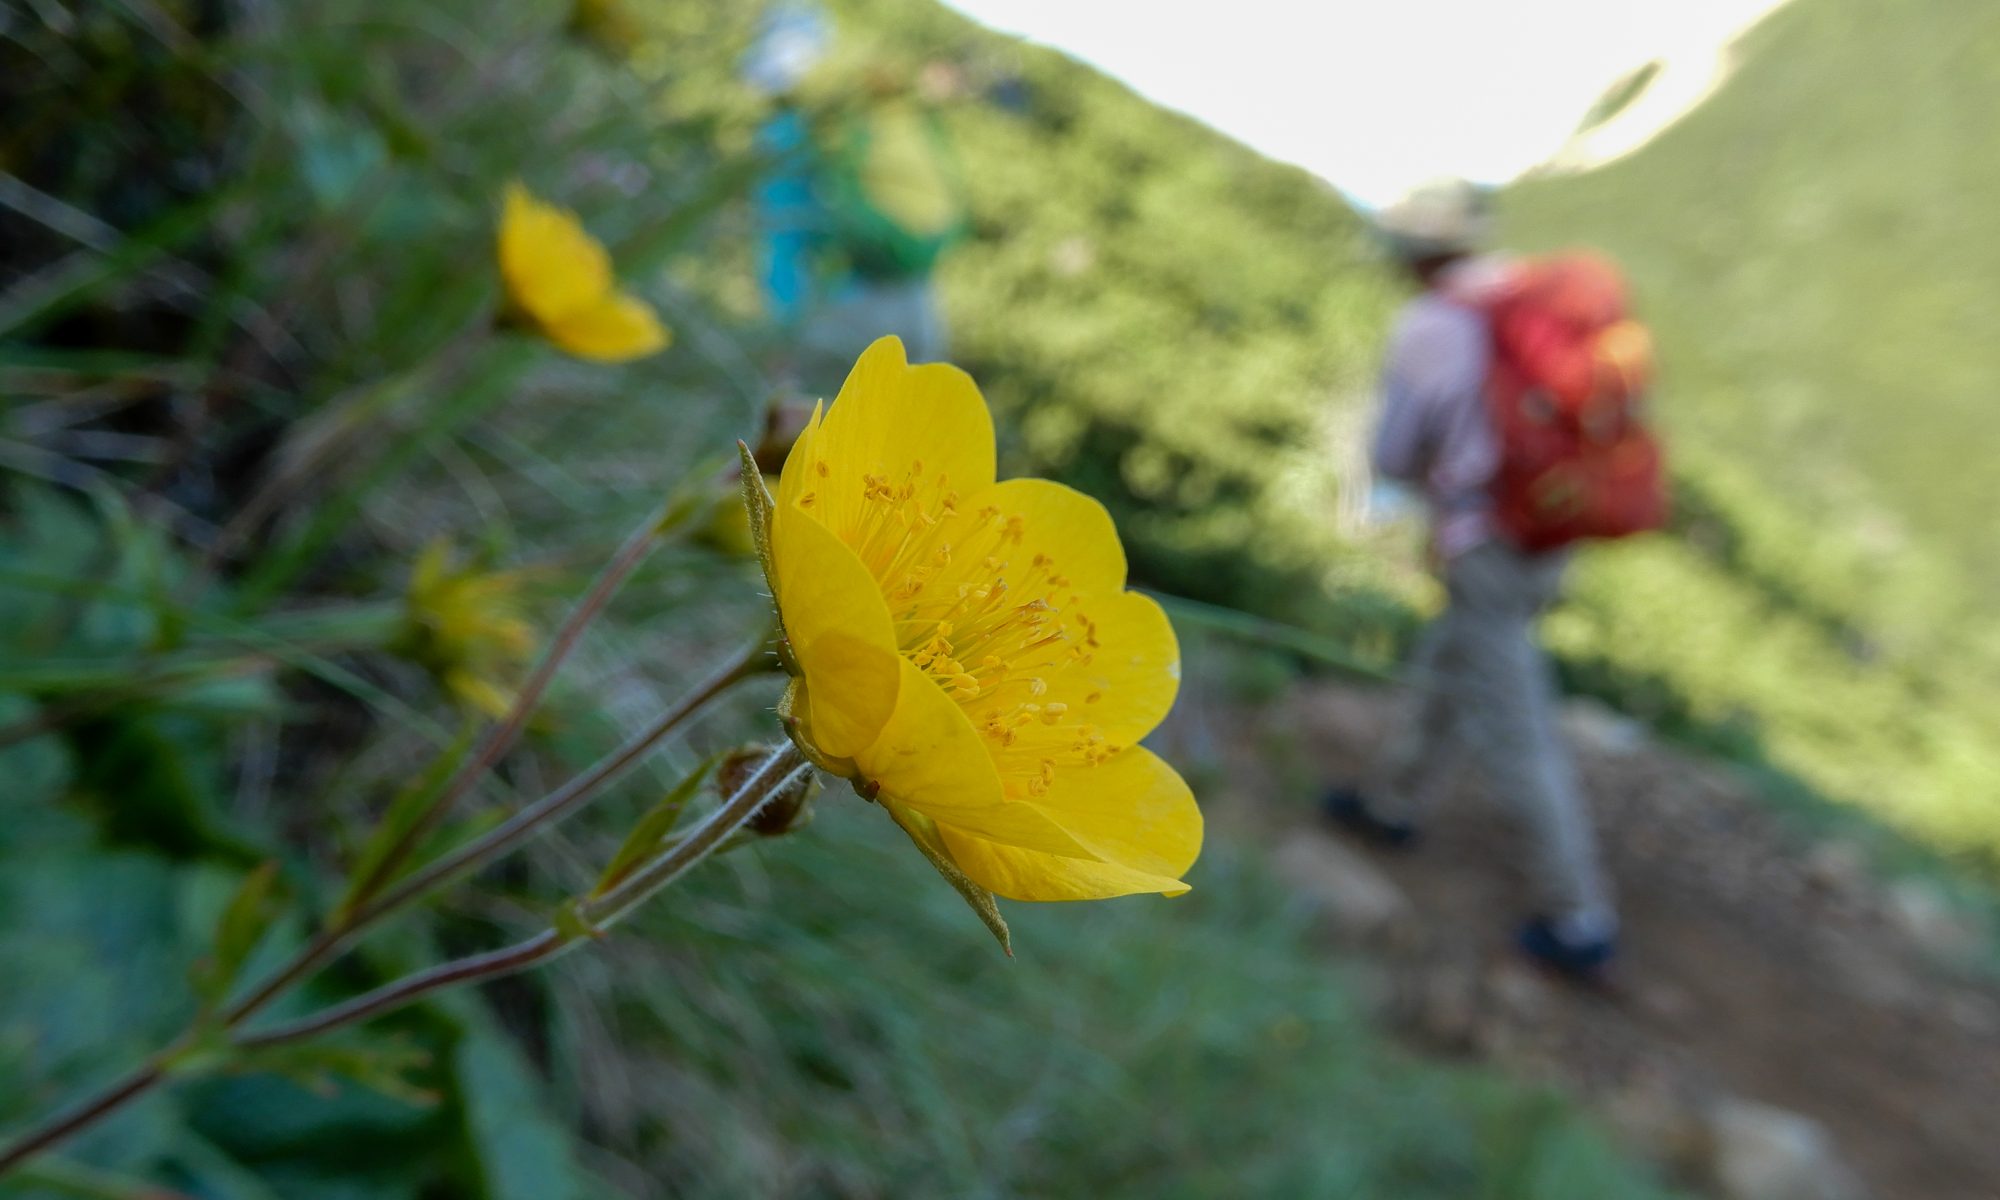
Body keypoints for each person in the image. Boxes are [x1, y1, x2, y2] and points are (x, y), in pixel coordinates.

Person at [1325, 179, 1619, 979]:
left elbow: (1393, 454)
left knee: (1513, 718)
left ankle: (1577, 915)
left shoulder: (1431, 325)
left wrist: (1427, 496)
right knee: (1453, 656)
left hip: (1484, 536)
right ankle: (1394, 803)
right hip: (1549, 533)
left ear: (1413, 254)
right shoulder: (1528, 299)